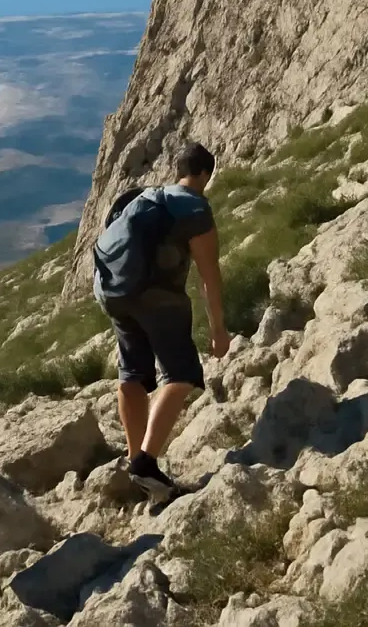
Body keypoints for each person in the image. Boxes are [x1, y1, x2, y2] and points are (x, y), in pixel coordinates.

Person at [96, 142, 230, 500]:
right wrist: (218, 328)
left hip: (114, 294)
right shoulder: (194, 207)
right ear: (205, 174)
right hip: (156, 295)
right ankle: (145, 463)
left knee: (133, 374)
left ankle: (134, 460)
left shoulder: (151, 198)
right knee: (182, 374)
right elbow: (208, 275)